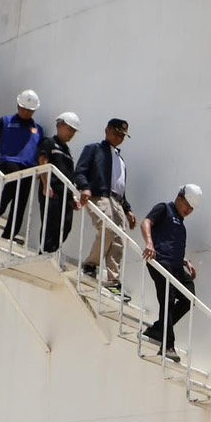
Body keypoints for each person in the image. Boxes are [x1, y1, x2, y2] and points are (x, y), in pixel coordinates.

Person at [139, 184, 202, 362]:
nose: (189, 210)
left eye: (192, 208)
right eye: (187, 205)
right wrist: (149, 243)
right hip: (159, 262)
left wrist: (184, 261)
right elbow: (146, 222)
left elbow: (171, 244)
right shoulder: (164, 208)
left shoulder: (181, 224)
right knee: (168, 299)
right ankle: (167, 346)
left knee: (189, 297)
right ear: (179, 198)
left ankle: (158, 329)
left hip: (176, 267)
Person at [75, 118, 136, 295]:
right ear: (107, 130)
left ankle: (113, 280)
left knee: (119, 240)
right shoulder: (94, 149)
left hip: (117, 202)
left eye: (122, 135)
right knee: (107, 229)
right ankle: (90, 265)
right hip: (99, 196)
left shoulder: (120, 160)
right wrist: (85, 187)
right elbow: (80, 171)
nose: (119, 137)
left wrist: (128, 209)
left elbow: (120, 188)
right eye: (116, 133)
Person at [0, 90, 43, 240]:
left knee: (21, 201)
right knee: (13, 183)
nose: (26, 112)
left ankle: (8, 235)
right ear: (18, 106)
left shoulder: (38, 130)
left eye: (29, 110)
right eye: (23, 108)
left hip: (29, 167)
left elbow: (40, 152)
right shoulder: (6, 121)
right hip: (9, 161)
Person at [36, 111, 81, 255]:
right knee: (50, 224)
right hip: (52, 191)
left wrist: (73, 196)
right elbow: (43, 162)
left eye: (74, 131)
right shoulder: (49, 142)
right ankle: (44, 253)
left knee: (66, 226)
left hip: (66, 196)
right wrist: (46, 184)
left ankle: (51, 252)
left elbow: (69, 175)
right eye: (69, 129)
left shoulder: (67, 151)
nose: (71, 133)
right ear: (60, 125)